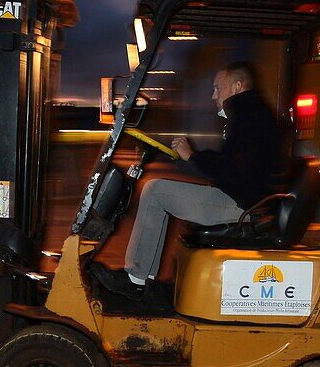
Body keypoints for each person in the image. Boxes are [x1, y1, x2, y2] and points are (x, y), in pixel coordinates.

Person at [91, 60, 293, 300]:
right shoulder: (251, 114)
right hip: (245, 198)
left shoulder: (251, 118)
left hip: (243, 205)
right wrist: (188, 159)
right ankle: (146, 281)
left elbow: (234, 171)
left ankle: (136, 280)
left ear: (237, 86)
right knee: (161, 190)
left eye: (218, 88)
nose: (213, 95)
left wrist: (194, 156)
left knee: (155, 190)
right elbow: (234, 167)